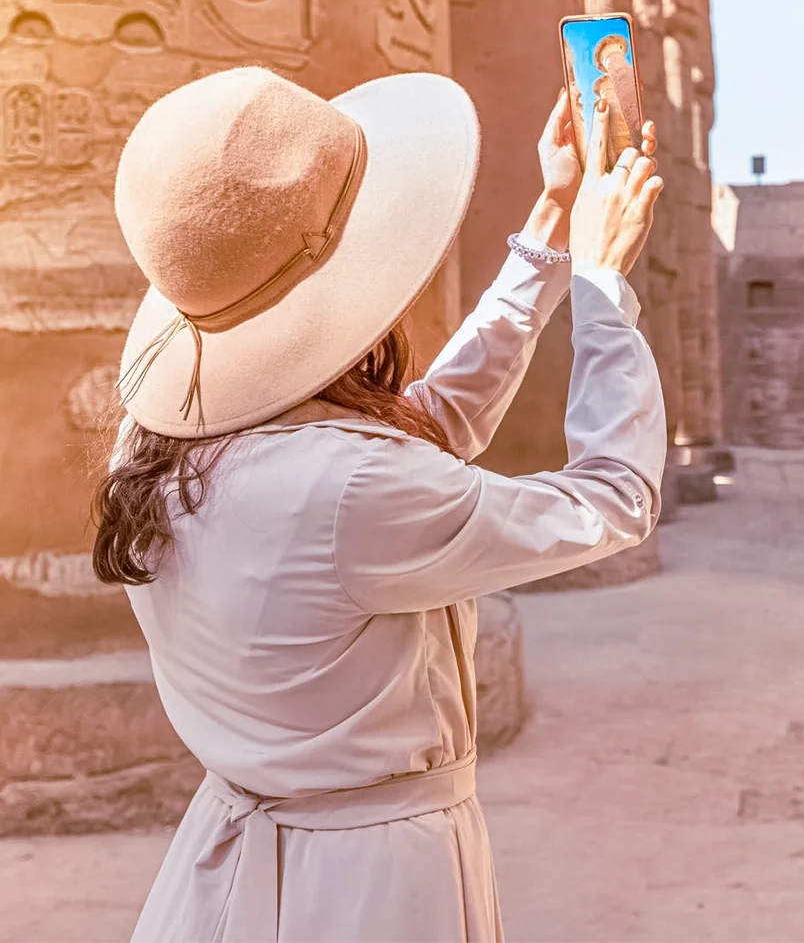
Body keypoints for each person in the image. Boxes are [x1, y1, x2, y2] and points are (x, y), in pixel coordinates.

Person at [92, 66, 666, 942]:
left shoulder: (158, 443)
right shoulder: (346, 488)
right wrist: (601, 288)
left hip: (233, 860)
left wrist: (551, 226)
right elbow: (614, 497)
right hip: (371, 884)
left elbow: (414, 439)